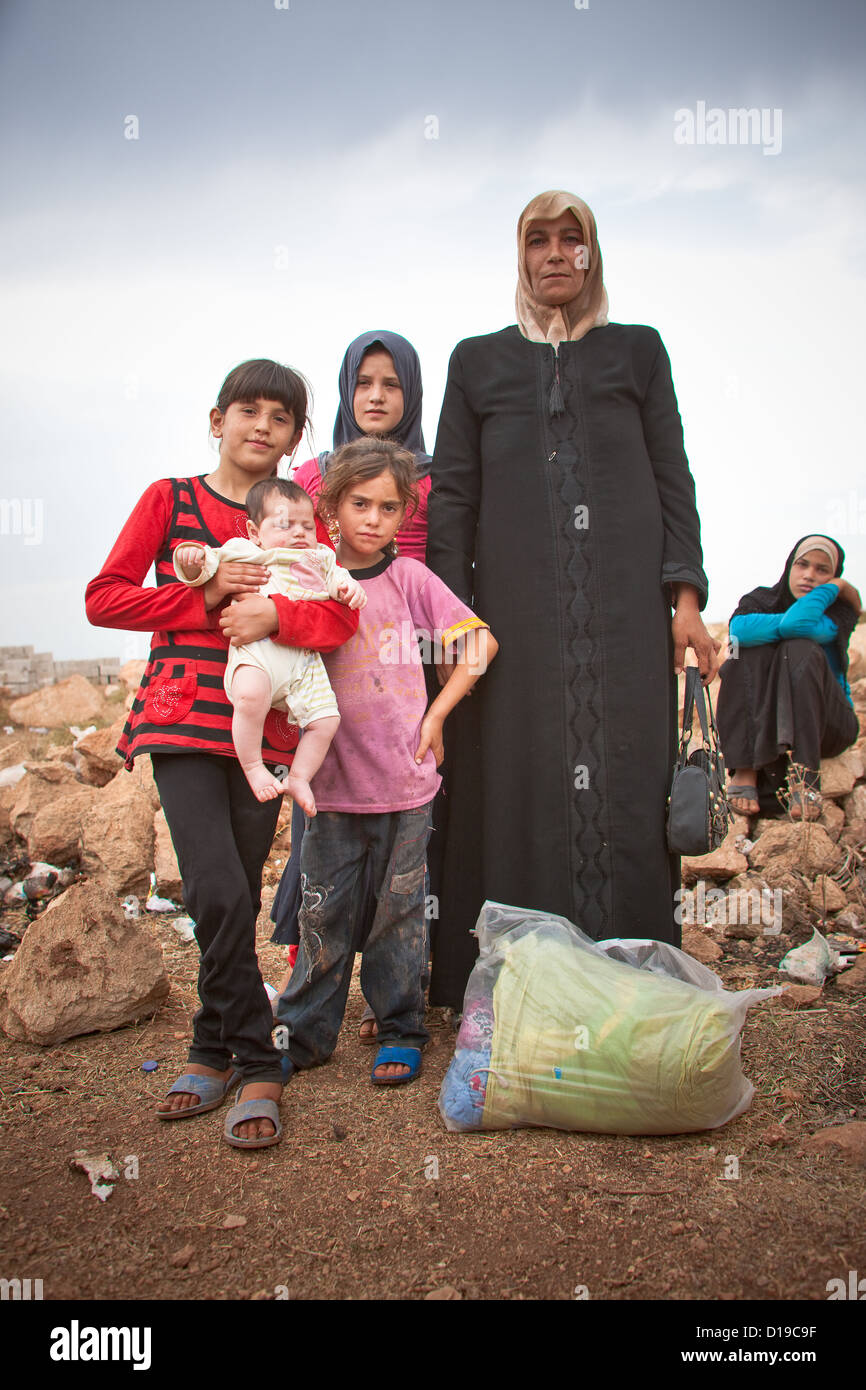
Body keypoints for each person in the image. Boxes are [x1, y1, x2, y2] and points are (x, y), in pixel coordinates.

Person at [425, 189, 719, 1010]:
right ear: (518, 257)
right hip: (510, 624)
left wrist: (685, 600)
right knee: (515, 785)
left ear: (592, 254)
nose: (555, 254)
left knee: (627, 782)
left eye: (572, 240)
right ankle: (521, 987)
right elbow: (452, 496)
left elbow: (673, 475)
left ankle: (633, 984)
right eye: (537, 241)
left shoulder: (638, 352)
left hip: (628, 617)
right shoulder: (476, 362)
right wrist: (456, 620)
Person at [85, 359, 358, 1148]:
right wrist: (203, 598)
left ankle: (210, 1045)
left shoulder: (302, 523)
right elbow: (105, 597)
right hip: (182, 722)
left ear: (296, 436)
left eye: (281, 416)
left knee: (234, 892)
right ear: (217, 420)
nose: (262, 425)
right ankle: (260, 1058)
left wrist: (273, 613)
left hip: (265, 737)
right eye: (249, 409)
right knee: (215, 892)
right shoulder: (170, 500)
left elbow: (337, 621)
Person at [273, 438, 498, 1084]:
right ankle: (303, 1031)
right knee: (323, 911)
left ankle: (400, 1026)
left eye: (388, 508)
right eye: (359, 504)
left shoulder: (409, 581)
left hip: (406, 784)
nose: (373, 519)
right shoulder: (312, 580)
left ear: (406, 515)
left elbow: (480, 643)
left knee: (402, 912)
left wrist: (436, 714)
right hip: (330, 786)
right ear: (331, 507)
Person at [271, 330, 433, 1038]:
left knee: (403, 853)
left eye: (391, 384)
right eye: (364, 382)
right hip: (326, 675)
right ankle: (308, 979)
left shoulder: (436, 476)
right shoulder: (311, 475)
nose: (375, 396)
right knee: (324, 835)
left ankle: (396, 999)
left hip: (406, 673)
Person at [174, 477, 366, 811]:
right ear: (254, 532)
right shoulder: (246, 551)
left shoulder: (321, 557)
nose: (298, 533)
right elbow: (206, 565)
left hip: (304, 662)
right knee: (249, 697)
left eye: (306, 525)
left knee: (326, 720)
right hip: (260, 652)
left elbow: (340, 584)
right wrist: (190, 559)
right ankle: (252, 766)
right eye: (284, 525)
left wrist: (351, 590)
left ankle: (300, 777)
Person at [717, 535, 860, 820]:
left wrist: (839, 588)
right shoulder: (760, 598)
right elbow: (736, 634)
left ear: (833, 577)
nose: (809, 575)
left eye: (823, 571)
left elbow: (799, 624)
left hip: (831, 724)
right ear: (789, 566)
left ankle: (804, 779)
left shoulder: (838, 613)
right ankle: (745, 770)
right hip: (772, 717)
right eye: (802, 565)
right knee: (741, 654)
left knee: (799, 647)